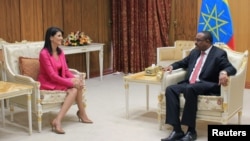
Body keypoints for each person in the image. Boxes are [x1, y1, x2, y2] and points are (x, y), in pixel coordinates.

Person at [161, 31, 237, 141]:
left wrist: (224, 72)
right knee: (170, 89)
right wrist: (171, 66)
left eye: (198, 40)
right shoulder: (195, 52)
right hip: (190, 83)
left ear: (208, 41)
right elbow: (183, 62)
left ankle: (191, 131)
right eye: (195, 39)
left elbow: (231, 68)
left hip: (207, 84)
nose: (195, 42)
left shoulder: (219, 53)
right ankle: (177, 130)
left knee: (190, 88)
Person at [38, 27, 93, 134]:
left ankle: (61, 119)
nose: (61, 38)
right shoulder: (44, 53)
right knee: (75, 88)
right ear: (50, 37)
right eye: (59, 36)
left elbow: (66, 70)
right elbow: (52, 75)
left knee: (77, 85)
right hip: (49, 82)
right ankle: (79, 114)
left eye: (61, 36)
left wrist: (75, 79)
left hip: (59, 79)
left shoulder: (60, 52)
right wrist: (70, 82)